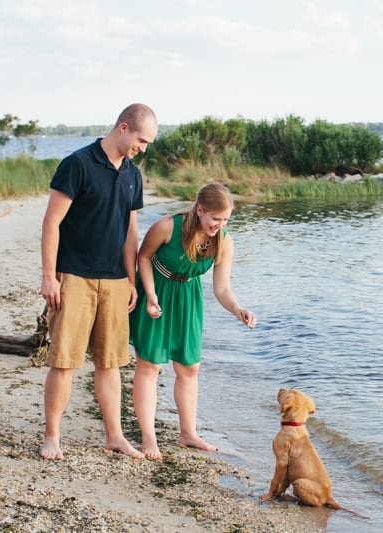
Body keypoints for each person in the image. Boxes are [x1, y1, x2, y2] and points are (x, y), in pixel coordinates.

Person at [40, 103, 158, 460]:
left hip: (115, 281)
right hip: (74, 276)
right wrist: (49, 277)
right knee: (65, 361)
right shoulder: (77, 163)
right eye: (141, 140)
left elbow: (130, 231)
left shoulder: (134, 175)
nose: (144, 147)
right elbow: (51, 223)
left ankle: (115, 436)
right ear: (123, 127)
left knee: (110, 362)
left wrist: (132, 279)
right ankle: (52, 437)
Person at [130, 183, 256, 461]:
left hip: (188, 298)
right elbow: (144, 257)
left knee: (189, 367)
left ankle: (188, 432)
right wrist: (149, 295)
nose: (219, 225)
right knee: (149, 364)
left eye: (225, 220)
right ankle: (148, 436)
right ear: (200, 210)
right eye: (215, 219)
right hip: (158, 290)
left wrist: (238, 310)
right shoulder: (168, 226)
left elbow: (222, 289)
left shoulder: (223, 240)